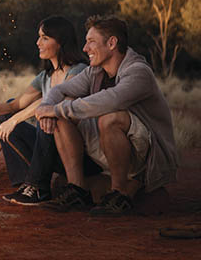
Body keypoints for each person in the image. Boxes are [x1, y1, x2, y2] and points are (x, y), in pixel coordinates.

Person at [35, 15, 178, 215]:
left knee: (110, 117)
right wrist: (48, 108)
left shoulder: (138, 72)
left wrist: (56, 109)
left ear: (112, 43)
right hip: (109, 147)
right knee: (62, 113)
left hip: (146, 157)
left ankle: (119, 194)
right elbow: (60, 90)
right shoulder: (95, 71)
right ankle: (77, 189)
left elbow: (110, 100)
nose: (85, 49)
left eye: (91, 42)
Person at [0, 16, 88, 205]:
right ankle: (25, 183)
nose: (38, 42)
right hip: (49, 147)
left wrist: (15, 120)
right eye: (39, 37)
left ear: (60, 42)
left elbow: (54, 102)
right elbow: (16, 104)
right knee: (4, 118)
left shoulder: (79, 71)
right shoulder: (45, 76)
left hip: (74, 150)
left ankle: (38, 187)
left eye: (44, 38)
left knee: (48, 116)